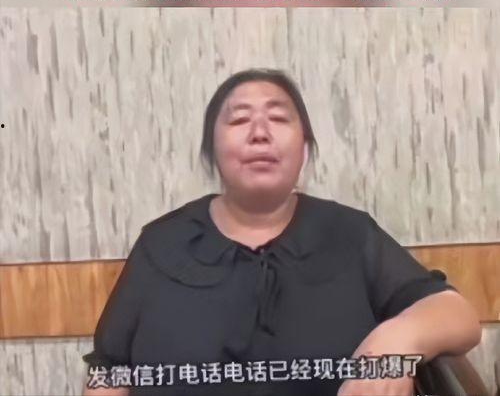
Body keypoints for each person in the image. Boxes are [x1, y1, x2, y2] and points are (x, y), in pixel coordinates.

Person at [83, 68, 481, 396]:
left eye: (278, 118)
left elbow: (458, 317)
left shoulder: (348, 233)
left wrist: (396, 340)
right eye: (239, 120)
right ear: (211, 151)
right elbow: (108, 369)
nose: (260, 132)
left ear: (304, 148)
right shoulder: (161, 243)